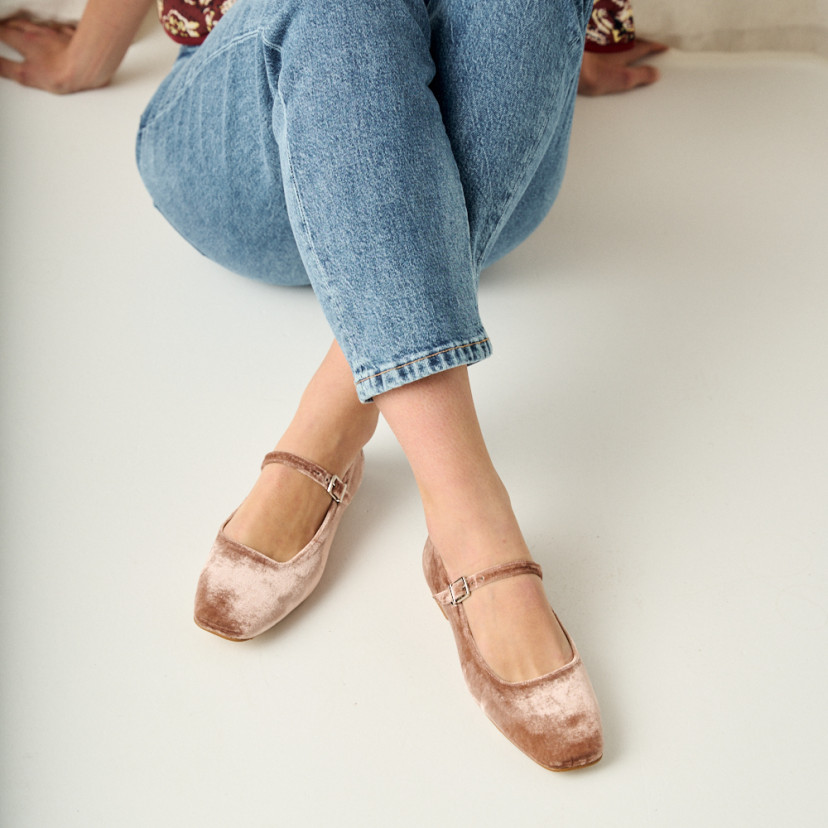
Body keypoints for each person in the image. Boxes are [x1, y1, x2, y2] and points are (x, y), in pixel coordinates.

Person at [0, 0, 665, 771]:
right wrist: (88, 56)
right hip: (246, 142)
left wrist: (558, 46)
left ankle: (331, 418)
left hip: (466, 167)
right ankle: (471, 519)